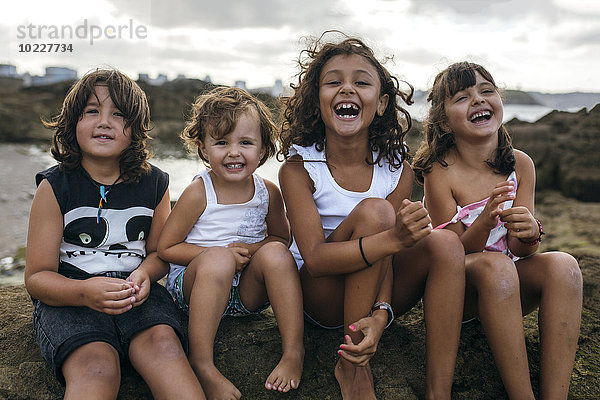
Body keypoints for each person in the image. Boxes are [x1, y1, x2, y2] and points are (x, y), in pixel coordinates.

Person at [277, 32, 466, 400]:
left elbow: (389, 256)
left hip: (380, 288)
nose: (347, 89)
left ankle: (438, 390)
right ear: (318, 100)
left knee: (445, 243)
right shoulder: (300, 167)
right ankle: (352, 365)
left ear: (381, 104)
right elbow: (314, 259)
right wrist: (392, 238)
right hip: (321, 295)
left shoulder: (398, 169)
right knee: (377, 213)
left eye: (361, 82)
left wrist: (381, 313)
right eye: (333, 82)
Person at [24, 69, 206, 399]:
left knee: (165, 348)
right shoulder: (55, 186)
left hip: (136, 296)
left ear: (135, 129)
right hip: (70, 298)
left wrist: (144, 274)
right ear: (72, 123)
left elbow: (160, 253)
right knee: (97, 366)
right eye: (92, 111)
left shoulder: (155, 183)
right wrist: (83, 293)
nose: (105, 121)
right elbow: (37, 277)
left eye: (119, 114)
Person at [413, 61, 583, 398]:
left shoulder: (520, 164)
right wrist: (486, 220)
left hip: (508, 286)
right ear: (444, 121)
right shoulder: (440, 171)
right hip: (461, 294)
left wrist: (531, 232)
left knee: (565, 265)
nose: (478, 100)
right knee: (496, 265)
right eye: (462, 97)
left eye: (486, 91)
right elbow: (451, 254)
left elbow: (521, 250)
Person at [157, 87, 304, 399]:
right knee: (219, 260)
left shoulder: (268, 192)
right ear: (203, 147)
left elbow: (280, 237)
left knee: (278, 254)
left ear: (263, 150)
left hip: (247, 296)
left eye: (246, 143)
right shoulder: (200, 192)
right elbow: (167, 248)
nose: (234, 152)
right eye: (221, 142)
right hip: (196, 290)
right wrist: (218, 254)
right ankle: (202, 365)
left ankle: (293, 351)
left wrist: (249, 252)